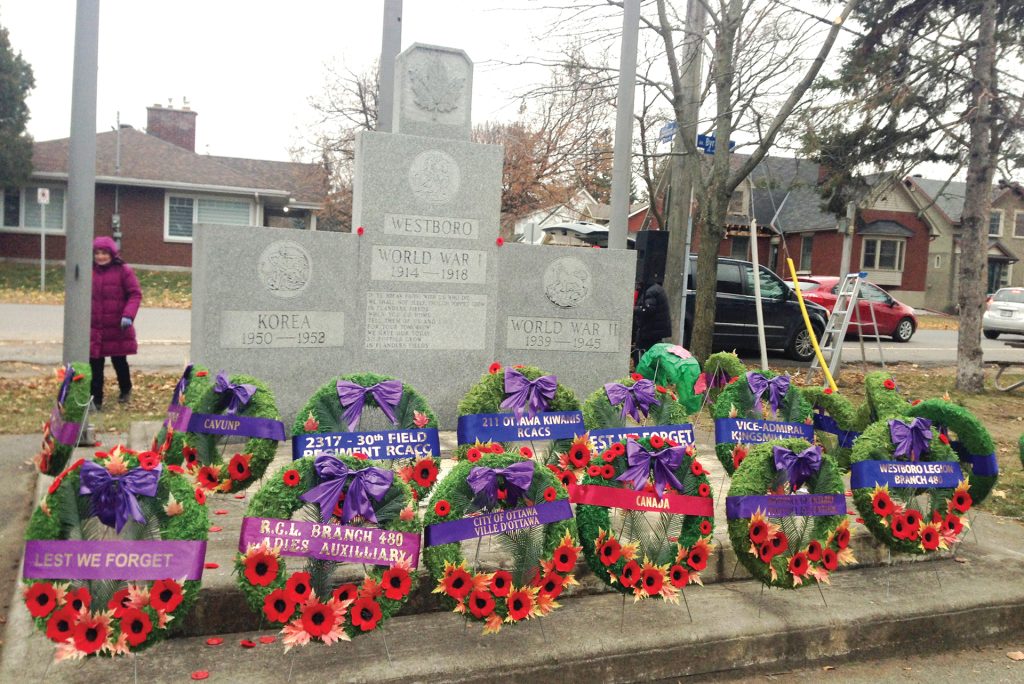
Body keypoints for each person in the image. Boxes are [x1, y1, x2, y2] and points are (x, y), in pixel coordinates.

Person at [90, 236, 142, 410]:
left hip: (117, 327)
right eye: (97, 253)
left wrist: (128, 315)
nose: (100, 257)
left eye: (104, 253)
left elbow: (135, 294)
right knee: (95, 365)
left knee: (119, 362)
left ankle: (125, 389)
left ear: (112, 254)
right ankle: (95, 400)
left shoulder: (123, 270)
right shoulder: (89, 271)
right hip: (95, 328)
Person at [632, 278, 673, 365]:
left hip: (650, 331)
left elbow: (648, 309)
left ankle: (641, 372)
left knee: (642, 355)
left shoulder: (651, 292)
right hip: (655, 331)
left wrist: (633, 309)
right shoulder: (656, 289)